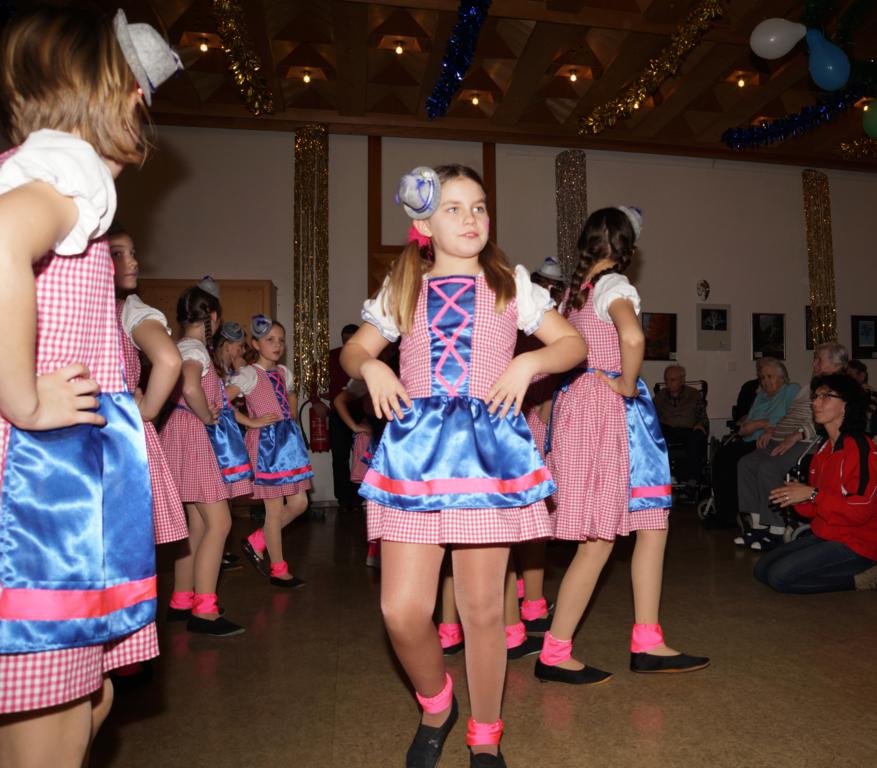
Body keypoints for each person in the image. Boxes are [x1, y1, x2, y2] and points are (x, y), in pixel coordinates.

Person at [341, 164, 587, 768]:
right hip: (417, 457)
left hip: (486, 457)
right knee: (401, 610)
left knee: (482, 610)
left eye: (478, 206)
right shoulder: (404, 288)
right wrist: (370, 366)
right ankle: (436, 702)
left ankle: (486, 732)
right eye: (453, 208)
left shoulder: (510, 285)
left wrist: (529, 364)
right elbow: (355, 348)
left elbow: (572, 345)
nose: (471, 218)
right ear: (424, 224)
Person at [0, 7, 180, 764]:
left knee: (88, 697)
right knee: (56, 725)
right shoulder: (72, 170)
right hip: (44, 487)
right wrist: (22, 396)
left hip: (60, 473)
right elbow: (4, 238)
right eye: (138, 93)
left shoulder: (41, 164)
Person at [536, 207, 708, 686]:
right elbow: (632, 337)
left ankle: (647, 639)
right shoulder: (613, 285)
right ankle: (556, 652)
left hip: (582, 407)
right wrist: (628, 384)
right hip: (610, 413)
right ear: (626, 247)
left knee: (649, 524)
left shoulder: (572, 294)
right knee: (599, 541)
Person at [160, 285, 251, 636]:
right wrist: (206, 415)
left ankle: (182, 600)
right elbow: (189, 385)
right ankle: (205, 610)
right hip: (195, 437)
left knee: (196, 526)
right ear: (212, 317)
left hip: (179, 436)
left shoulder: (180, 344)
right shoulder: (195, 348)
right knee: (220, 523)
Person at [756, 374, 877, 593]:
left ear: (846, 405)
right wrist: (795, 497)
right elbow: (814, 510)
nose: (815, 402)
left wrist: (812, 494)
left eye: (825, 396)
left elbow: (860, 511)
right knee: (762, 569)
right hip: (826, 534)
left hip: (859, 542)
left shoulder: (860, 448)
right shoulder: (823, 449)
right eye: (815, 397)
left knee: (779, 577)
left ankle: (863, 579)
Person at [109, 226, 187, 547]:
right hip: (121, 430)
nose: (133, 262)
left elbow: (169, 361)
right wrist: (148, 410)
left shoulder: (124, 309)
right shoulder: (127, 311)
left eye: (133, 253)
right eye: (117, 254)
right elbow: (168, 359)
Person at [735, 343, 847, 549]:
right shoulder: (811, 385)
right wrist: (772, 430)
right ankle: (758, 527)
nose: (814, 364)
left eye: (819, 359)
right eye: (814, 359)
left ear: (835, 363)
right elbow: (790, 414)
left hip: (806, 442)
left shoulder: (838, 387)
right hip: (781, 437)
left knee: (768, 468)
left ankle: (776, 530)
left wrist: (795, 436)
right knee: (746, 464)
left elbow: (825, 420)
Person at [233, 315, 313, 588]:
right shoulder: (248, 374)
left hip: (287, 444)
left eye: (281, 340)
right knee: (275, 511)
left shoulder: (283, 372)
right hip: (266, 446)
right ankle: (279, 570)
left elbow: (289, 396)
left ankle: (256, 541)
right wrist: (250, 421)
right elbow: (221, 400)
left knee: (300, 503)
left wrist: (291, 409)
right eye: (270, 340)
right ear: (255, 344)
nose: (277, 345)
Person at [705, 358, 799, 529]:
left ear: (782, 377)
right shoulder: (761, 396)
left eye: (769, 376)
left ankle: (732, 516)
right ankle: (727, 513)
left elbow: (791, 417)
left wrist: (761, 425)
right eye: (762, 377)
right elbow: (749, 419)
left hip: (772, 440)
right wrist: (745, 425)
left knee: (730, 459)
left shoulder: (791, 390)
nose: (765, 381)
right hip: (751, 439)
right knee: (722, 456)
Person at [654, 363, 708, 501]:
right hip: (667, 428)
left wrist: (700, 424)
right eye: (667, 379)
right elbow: (652, 416)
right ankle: (662, 479)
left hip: (688, 429)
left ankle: (692, 482)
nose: (669, 383)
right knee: (655, 438)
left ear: (682, 380)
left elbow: (702, 416)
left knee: (697, 437)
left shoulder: (694, 395)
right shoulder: (660, 396)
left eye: (673, 379)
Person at [328, 323, 360, 510]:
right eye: (345, 340)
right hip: (338, 413)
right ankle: (343, 498)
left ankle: (358, 498)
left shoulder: (365, 357)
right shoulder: (333, 356)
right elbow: (314, 376)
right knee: (339, 456)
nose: (348, 344)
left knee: (361, 456)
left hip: (361, 412)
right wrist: (315, 400)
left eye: (351, 340)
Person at [847, 359, 877, 435]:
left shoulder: (868, 393)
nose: (846, 379)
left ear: (862, 376)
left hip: (865, 435)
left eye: (850, 375)